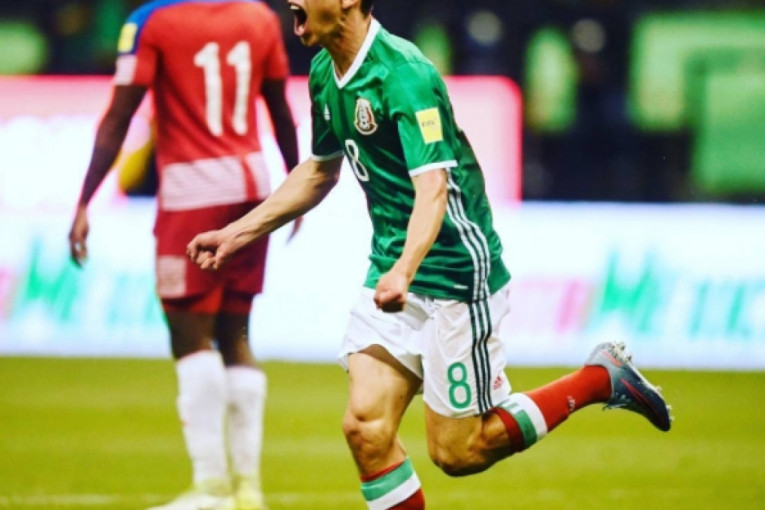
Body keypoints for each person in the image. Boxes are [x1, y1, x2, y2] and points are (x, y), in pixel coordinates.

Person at [187, 1, 673, 508]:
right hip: (392, 268)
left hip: (454, 272)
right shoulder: (324, 72)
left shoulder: (405, 74)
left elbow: (433, 188)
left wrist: (405, 269)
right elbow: (319, 170)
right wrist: (237, 233)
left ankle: (598, 380)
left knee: (459, 452)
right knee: (365, 429)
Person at [68, 1, 299, 509]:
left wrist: (85, 200)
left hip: (192, 193)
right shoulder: (259, 17)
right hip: (252, 188)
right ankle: (248, 490)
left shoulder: (152, 20)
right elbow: (280, 109)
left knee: (191, 339)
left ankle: (211, 488)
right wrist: (294, 188)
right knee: (237, 337)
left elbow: (119, 115)